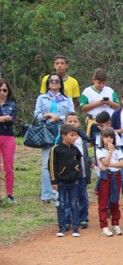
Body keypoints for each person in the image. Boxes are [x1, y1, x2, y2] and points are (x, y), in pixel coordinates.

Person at [35, 74, 75, 203]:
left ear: (60, 83)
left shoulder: (67, 99)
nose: (54, 83)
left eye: (56, 81)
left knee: (63, 162)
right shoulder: (42, 98)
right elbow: (36, 115)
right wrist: (46, 115)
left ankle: (61, 192)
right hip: (46, 133)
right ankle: (46, 195)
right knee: (46, 163)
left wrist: (59, 118)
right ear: (48, 83)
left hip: (62, 132)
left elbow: (72, 115)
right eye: (51, 81)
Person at [49, 124, 82, 237]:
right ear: (63, 136)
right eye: (71, 135)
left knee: (74, 204)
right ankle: (62, 228)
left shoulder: (75, 149)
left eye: (75, 135)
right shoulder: (56, 149)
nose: (74, 138)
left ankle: (75, 228)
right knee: (61, 205)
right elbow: (51, 166)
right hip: (61, 182)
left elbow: (79, 159)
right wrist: (54, 181)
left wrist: (78, 171)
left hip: (74, 182)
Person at [95, 127, 123, 236]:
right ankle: (104, 225)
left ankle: (116, 224)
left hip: (116, 176)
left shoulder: (118, 150)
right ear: (101, 138)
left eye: (111, 137)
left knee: (115, 200)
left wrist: (108, 165)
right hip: (105, 176)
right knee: (103, 201)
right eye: (106, 137)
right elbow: (105, 161)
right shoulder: (99, 150)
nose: (109, 140)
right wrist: (110, 152)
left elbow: (122, 164)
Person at [79, 68, 120, 137]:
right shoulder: (87, 92)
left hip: (109, 122)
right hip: (95, 122)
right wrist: (97, 104)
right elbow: (83, 108)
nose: (101, 85)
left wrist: (110, 103)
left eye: (103, 83)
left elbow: (118, 106)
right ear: (93, 80)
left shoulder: (110, 90)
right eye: (99, 83)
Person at [0, 79, 17, 203]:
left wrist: (4, 119)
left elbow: (12, 120)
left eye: (4, 90)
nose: (2, 93)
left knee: (8, 167)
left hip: (8, 137)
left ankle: (9, 194)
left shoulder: (12, 105)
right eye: (0, 90)